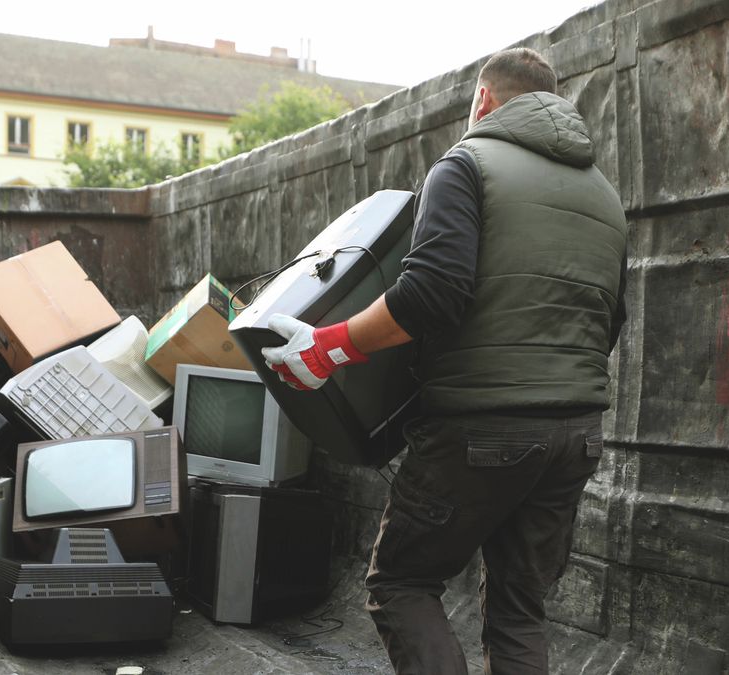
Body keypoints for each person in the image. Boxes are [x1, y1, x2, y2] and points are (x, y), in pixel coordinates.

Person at [262, 47, 628, 674]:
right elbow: (610, 319)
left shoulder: (466, 165)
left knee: (401, 582)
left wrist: (328, 345)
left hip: (479, 428)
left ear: (482, 101)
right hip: (575, 437)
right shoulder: (603, 195)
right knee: (519, 611)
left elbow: (431, 292)